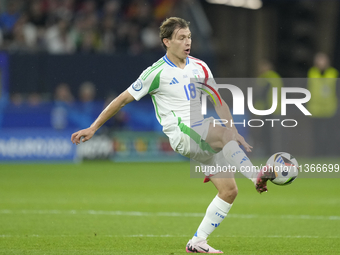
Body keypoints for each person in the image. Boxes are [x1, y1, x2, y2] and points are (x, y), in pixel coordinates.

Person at [71, 17, 270, 254]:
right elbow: (122, 99)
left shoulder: (200, 67)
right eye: (181, 38)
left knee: (228, 191)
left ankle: (197, 242)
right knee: (224, 134)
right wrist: (93, 127)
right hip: (183, 134)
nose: (187, 42)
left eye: (189, 37)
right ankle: (255, 176)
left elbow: (218, 101)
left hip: (201, 134)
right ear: (167, 41)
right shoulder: (156, 72)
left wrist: (233, 130)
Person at [307, 52, 339, 156]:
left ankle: (330, 154)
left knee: (331, 134)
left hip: (330, 109)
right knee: (316, 135)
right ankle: (317, 154)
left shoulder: (333, 73)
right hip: (315, 109)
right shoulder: (311, 73)